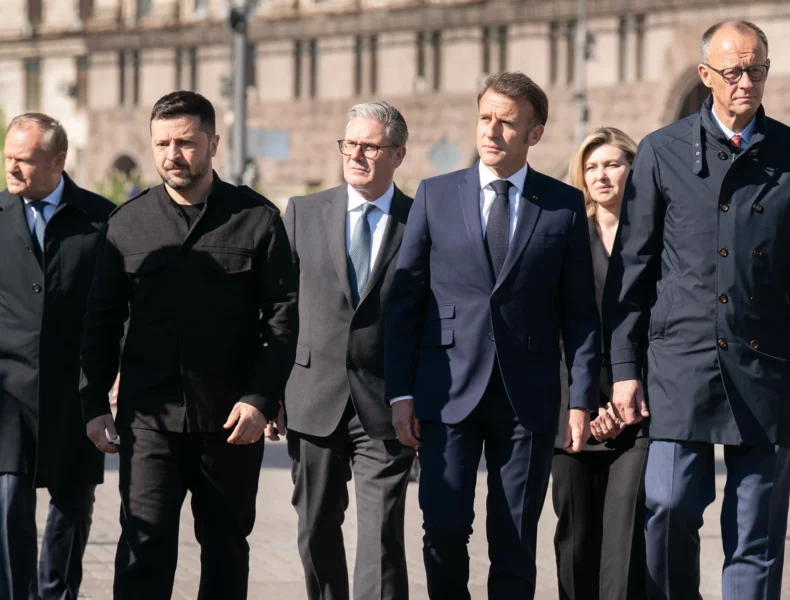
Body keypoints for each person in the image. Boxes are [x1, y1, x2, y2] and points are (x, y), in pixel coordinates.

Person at [385, 71, 601, 599]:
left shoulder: (563, 205)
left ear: (535, 133)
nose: (491, 131)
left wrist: (579, 400)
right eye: (485, 118)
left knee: (515, 540)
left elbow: (579, 315)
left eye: (506, 122)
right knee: (443, 532)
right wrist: (401, 392)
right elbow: (405, 303)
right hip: (446, 392)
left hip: (528, 398)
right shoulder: (435, 195)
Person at [79, 91, 298, 600]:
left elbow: (283, 316)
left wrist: (261, 398)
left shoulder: (257, 218)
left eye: (185, 143)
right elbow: (101, 321)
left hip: (231, 422)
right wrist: (93, 403)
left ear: (213, 143)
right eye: (162, 144)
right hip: (148, 422)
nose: (172, 155)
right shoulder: (127, 223)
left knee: (225, 552)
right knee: (143, 552)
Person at [604, 20, 790, 600]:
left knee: (757, 531)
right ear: (706, 75)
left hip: (768, 366)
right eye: (733, 71)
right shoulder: (661, 152)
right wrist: (624, 370)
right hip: (681, 363)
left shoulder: (789, 152)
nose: (746, 82)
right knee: (668, 503)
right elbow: (631, 271)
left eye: (756, 69)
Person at [282, 101, 415, 600]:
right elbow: (279, 309)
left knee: (381, 534)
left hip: (387, 402)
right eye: (350, 144)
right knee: (315, 527)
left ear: (398, 154)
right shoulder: (303, 213)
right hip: (312, 396)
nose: (355, 155)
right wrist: (270, 392)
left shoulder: (420, 221)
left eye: (370, 147)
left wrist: (417, 394)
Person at [0, 113, 114, 600]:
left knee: (73, 504)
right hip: (8, 389)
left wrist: (111, 378)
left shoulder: (101, 218)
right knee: (8, 499)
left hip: (77, 388)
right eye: (8, 157)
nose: (12, 168)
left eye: (23, 160)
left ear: (57, 161)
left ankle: (56, 593)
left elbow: (118, 307)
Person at [551, 127, 648, 600]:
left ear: (633, 168)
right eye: (591, 167)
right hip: (573, 407)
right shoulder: (565, 234)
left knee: (624, 543)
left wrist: (627, 394)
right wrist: (585, 404)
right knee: (575, 540)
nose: (601, 175)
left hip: (639, 408)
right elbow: (556, 329)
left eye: (612, 164)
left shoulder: (655, 236)